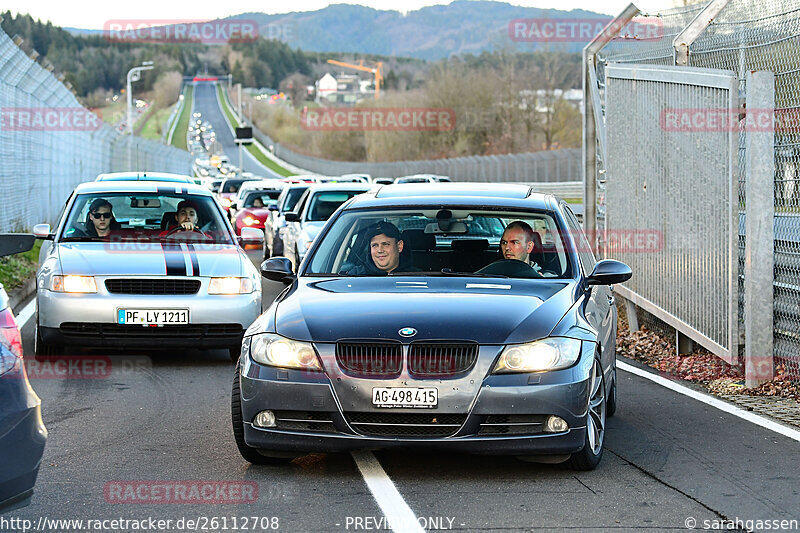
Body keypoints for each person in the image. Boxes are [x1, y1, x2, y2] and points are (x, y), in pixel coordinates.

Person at [341, 221, 415, 275]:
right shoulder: (354, 276)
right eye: (375, 245)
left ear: (399, 246)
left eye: (386, 244)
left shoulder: (416, 276)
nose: (380, 250)